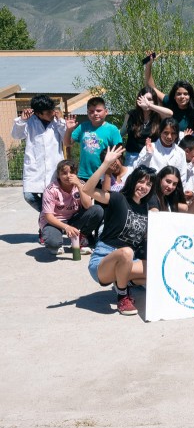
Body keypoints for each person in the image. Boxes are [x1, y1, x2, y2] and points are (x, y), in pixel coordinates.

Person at [79, 147, 155, 316]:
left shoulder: (146, 210)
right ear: (133, 181)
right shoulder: (118, 198)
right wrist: (106, 164)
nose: (144, 187)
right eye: (141, 182)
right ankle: (122, 296)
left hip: (128, 262)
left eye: (148, 184)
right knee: (127, 252)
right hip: (103, 262)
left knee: (158, 270)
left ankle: (124, 282)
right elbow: (87, 190)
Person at [11, 94, 66, 213]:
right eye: (48, 112)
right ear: (38, 113)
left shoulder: (57, 121)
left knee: (53, 197)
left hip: (53, 166)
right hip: (34, 167)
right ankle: (50, 217)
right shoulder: (29, 122)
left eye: (52, 110)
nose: (52, 114)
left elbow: (66, 138)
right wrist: (22, 120)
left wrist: (61, 121)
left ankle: (48, 222)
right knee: (29, 196)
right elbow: (16, 135)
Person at [38, 160, 103, 255]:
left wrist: (80, 187)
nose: (68, 176)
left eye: (72, 173)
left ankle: (80, 238)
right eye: (64, 173)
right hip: (54, 221)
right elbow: (48, 217)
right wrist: (66, 227)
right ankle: (48, 235)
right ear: (58, 175)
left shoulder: (81, 184)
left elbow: (88, 206)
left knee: (97, 210)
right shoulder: (51, 190)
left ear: (76, 174)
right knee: (54, 244)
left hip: (72, 219)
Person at [65, 96, 123, 180]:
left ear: (106, 112)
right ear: (87, 113)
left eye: (99, 111)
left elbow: (119, 151)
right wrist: (69, 130)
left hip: (104, 175)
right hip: (84, 175)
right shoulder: (82, 127)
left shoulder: (112, 129)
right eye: (91, 111)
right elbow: (67, 143)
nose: (95, 113)